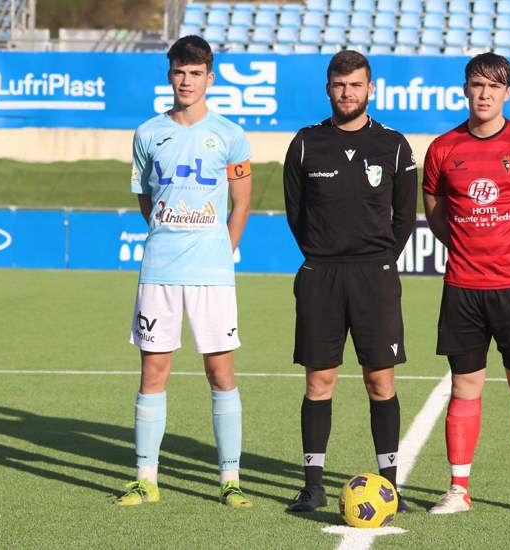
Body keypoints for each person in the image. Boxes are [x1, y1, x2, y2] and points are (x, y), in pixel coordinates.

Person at [422, 52, 510, 518]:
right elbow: (437, 215)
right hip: (463, 288)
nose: (484, 94)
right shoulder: (442, 149)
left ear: (507, 93)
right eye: (476, 85)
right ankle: (458, 490)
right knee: (464, 386)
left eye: (493, 86)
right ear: (464, 89)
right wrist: (468, 249)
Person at [115, 35, 253, 509]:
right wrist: (168, 231)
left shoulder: (231, 135)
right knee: (154, 371)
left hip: (211, 273)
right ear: (169, 75)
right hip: (159, 270)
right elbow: (144, 199)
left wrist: (221, 249)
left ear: (210, 78)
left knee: (220, 371)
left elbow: (242, 203)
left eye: (196, 73)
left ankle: (230, 479)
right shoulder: (148, 133)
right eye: (179, 72)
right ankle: (145, 479)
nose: (186, 81)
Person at [282, 50, 417, 513]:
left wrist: (376, 259)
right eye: (339, 85)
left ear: (370, 88)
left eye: (356, 85)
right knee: (320, 380)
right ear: (328, 89)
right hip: (321, 275)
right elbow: (296, 214)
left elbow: (405, 218)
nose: (347, 93)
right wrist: (323, 255)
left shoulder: (394, 145)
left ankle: (390, 485)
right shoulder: (305, 143)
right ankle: (313, 485)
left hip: (375, 276)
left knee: (380, 380)